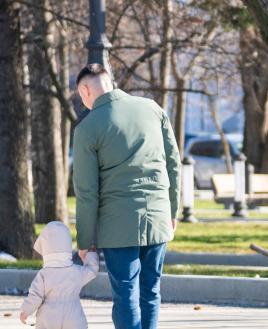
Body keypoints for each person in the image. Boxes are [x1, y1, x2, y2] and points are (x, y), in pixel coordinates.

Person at [72, 63, 180, 329]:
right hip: (158, 217)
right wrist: (173, 211)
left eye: (80, 95)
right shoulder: (153, 109)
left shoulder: (87, 129)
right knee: (151, 292)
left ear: (85, 90)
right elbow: (173, 164)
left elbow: (87, 192)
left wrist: (85, 240)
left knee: (125, 296)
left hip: (117, 225)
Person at [20, 221, 99, 328]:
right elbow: (92, 270)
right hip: (73, 314)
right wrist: (90, 253)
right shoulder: (76, 271)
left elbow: (36, 295)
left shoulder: (44, 275)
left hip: (48, 316)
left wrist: (26, 310)